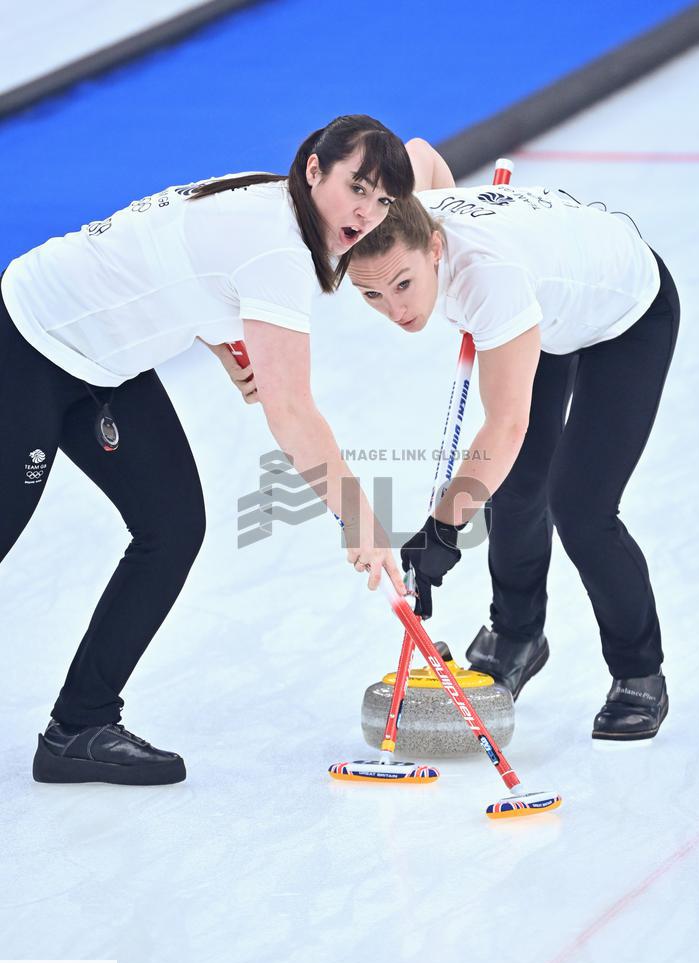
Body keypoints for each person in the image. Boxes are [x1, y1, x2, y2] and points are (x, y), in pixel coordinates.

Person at [0, 114, 413, 785]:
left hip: (107, 365)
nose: (366, 213)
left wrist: (222, 341)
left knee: (170, 526)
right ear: (315, 169)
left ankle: (80, 727)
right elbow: (290, 410)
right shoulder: (278, 248)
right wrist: (357, 514)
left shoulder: (266, 199)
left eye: (382, 201)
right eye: (357, 188)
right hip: (27, 344)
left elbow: (172, 259)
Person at [346, 138, 680, 741]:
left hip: (625, 311)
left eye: (402, 283)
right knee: (516, 485)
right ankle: (519, 633)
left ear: (435, 246)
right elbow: (418, 151)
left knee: (580, 505)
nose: (394, 309)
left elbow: (505, 425)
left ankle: (639, 675)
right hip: (546, 307)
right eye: (371, 294)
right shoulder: (412, 208)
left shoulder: (487, 281)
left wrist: (441, 531)